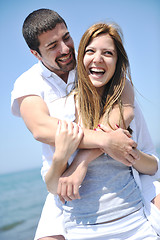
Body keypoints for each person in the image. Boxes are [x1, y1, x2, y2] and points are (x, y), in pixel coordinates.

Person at [10, 8, 160, 240]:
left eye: (66, 37)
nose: (65, 49)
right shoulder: (29, 82)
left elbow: (123, 105)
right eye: (52, 46)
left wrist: (82, 160)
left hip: (125, 197)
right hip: (66, 189)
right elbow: (41, 129)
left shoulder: (92, 64)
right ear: (36, 54)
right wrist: (105, 142)